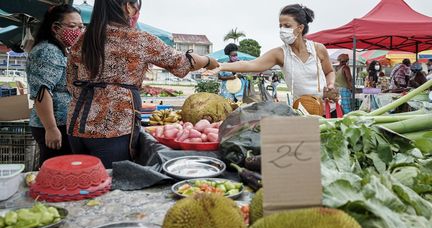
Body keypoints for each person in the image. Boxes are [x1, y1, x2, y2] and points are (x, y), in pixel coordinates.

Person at [67, 0, 218, 168]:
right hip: (113, 128)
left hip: (76, 124)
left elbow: (71, 83)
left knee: (84, 180)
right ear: (128, 6)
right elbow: (182, 63)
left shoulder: (84, 38)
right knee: (111, 183)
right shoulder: (139, 39)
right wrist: (208, 60)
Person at [212, 4, 336, 112]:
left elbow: (329, 71)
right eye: (280, 26)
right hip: (302, 111)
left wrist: (330, 85)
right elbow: (251, 65)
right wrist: (221, 65)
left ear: (300, 28)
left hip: (328, 109)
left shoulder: (318, 49)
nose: (282, 30)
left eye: (287, 26)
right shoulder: (280, 54)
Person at [26, 5, 84, 167]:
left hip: (61, 124)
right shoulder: (47, 51)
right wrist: (51, 128)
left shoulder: (59, 50)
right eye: (72, 26)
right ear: (55, 27)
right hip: (53, 124)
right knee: (56, 169)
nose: (78, 31)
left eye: (80, 27)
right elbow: (42, 91)